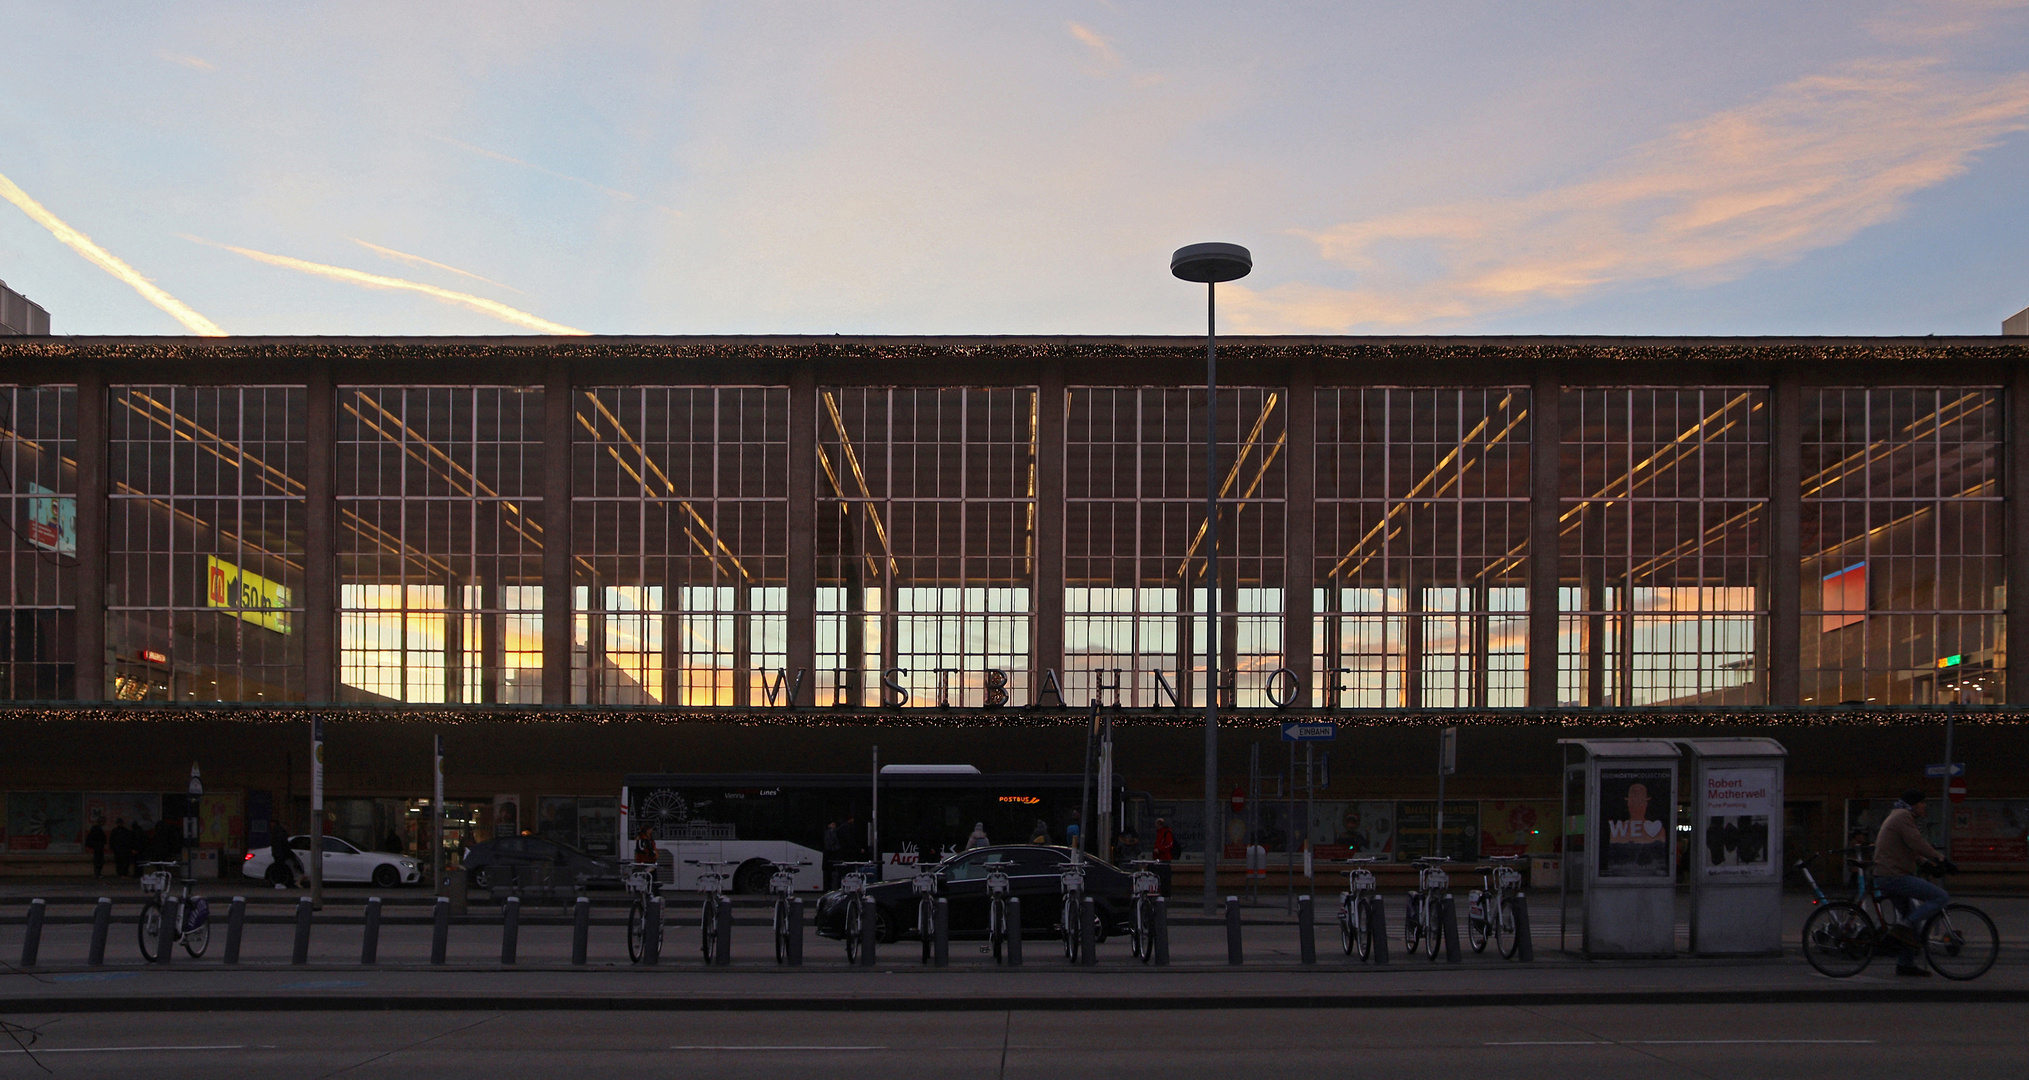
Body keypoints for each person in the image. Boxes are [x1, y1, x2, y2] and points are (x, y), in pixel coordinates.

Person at [1873, 789, 1956, 977]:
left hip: (1889, 874)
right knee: (1940, 896)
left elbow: (1910, 848)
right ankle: (1902, 928)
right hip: (1894, 876)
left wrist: (1928, 864)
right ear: (1914, 804)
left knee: (1912, 920)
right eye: (1922, 803)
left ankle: (1905, 964)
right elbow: (1917, 842)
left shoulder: (1898, 815)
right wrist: (1941, 859)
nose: (1925, 806)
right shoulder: (1903, 816)